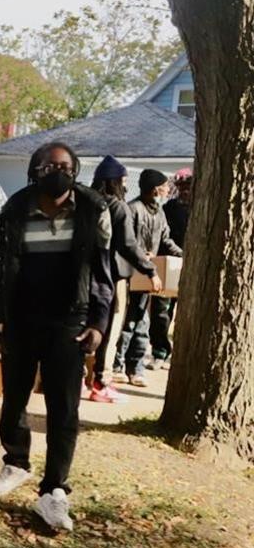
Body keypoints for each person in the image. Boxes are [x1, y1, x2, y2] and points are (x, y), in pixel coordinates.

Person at [0, 142, 113, 532]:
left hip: (69, 322)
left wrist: (99, 323)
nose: (56, 171)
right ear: (34, 170)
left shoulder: (93, 209)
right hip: (22, 319)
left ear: (75, 169)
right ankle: (16, 462)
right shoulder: (16, 209)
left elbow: (104, 273)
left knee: (64, 407)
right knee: (14, 397)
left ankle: (54, 489)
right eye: (48, 165)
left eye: (64, 165)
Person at [85, 156, 160, 403]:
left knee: (83, 327)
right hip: (112, 278)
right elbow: (128, 245)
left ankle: (78, 377)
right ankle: (101, 382)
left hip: (83, 276)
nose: (126, 186)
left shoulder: (85, 203)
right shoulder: (118, 207)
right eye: (124, 181)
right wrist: (150, 269)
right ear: (116, 182)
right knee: (110, 330)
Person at [111, 169, 182, 385]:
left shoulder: (159, 213)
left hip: (149, 276)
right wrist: (143, 257)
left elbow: (165, 240)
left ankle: (136, 368)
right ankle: (117, 365)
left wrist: (183, 255)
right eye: (164, 185)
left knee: (142, 321)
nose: (168, 189)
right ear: (154, 189)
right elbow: (127, 243)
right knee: (128, 322)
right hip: (131, 273)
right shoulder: (132, 209)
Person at [150, 168, 193, 368]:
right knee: (161, 310)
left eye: (189, 186)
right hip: (169, 264)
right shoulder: (168, 209)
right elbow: (162, 238)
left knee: (188, 313)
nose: (185, 191)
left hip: (193, 267)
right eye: (181, 186)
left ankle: (183, 354)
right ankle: (160, 351)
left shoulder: (201, 208)